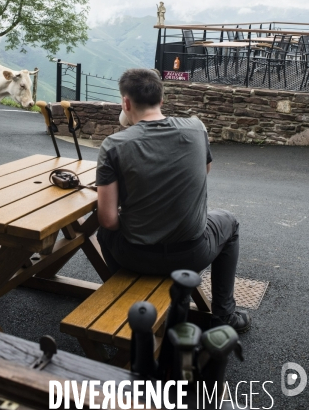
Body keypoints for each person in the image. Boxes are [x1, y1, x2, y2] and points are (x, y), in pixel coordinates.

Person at [96, 68, 251, 333]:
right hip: (192, 255)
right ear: (162, 99)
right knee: (230, 222)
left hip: (135, 257)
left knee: (101, 232)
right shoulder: (195, 129)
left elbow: (109, 220)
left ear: (125, 102)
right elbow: (204, 171)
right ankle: (224, 316)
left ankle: (126, 300)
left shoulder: (114, 145)